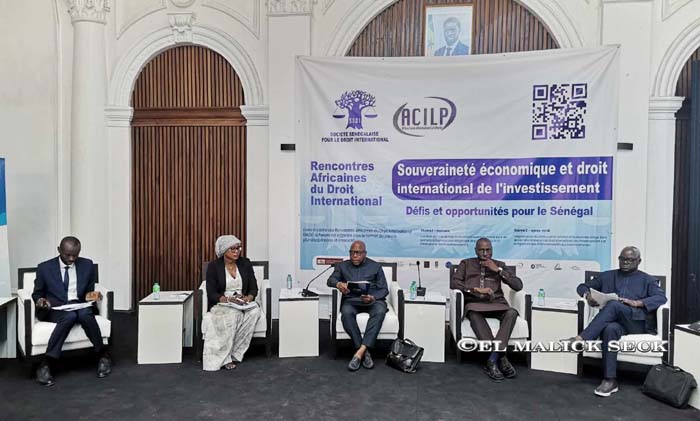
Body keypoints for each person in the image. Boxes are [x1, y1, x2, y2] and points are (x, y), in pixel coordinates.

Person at [569, 246, 666, 397]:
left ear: (639, 261)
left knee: (613, 305)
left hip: (636, 323)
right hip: (616, 323)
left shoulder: (647, 279)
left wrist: (637, 303)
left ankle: (582, 338)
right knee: (610, 329)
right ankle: (610, 380)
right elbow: (582, 286)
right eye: (622, 259)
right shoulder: (607, 276)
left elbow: (661, 298)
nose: (625, 262)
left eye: (630, 260)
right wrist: (588, 295)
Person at [31, 236, 111, 386]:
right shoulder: (44, 268)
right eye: (68, 255)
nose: (72, 259)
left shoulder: (87, 265)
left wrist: (94, 295)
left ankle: (102, 355)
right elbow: (37, 294)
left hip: (79, 305)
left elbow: (87, 293)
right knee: (69, 316)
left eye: (75, 255)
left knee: (86, 315)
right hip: (56, 308)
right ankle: (46, 363)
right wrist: (41, 301)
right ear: (59, 250)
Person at [450, 237, 523, 382]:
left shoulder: (499, 265)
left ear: (492, 250)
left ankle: (493, 358)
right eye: (481, 250)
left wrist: (498, 270)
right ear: (475, 251)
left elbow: (518, 285)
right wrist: (475, 289)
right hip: (475, 304)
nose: (485, 253)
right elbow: (454, 283)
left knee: (512, 313)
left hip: (497, 304)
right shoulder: (466, 263)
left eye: (488, 250)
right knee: (474, 314)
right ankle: (500, 357)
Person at [201, 235, 262, 371]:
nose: (236, 251)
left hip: (242, 302)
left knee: (255, 311)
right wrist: (228, 299)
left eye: (238, 248)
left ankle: (235, 352)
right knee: (233, 315)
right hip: (224, 303)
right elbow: (211, 293)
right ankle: (224, 357)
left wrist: (248, 298)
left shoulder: (245, 263)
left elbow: (253, 288)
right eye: (232, 249)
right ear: (224, 250)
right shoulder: (214, 266)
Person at [327, 240, 389, 371]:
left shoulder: (376, 266)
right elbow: (330, 280)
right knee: (346, 313)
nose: (354, 256)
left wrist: (373, 297)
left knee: (380, 311)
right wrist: (339, 284)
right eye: (352, 253)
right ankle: (364, 352)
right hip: (351, 300)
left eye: (358, 253)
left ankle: (359, 353)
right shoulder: (342, 266)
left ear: (365, 253)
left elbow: (384, 289)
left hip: (372, 300)